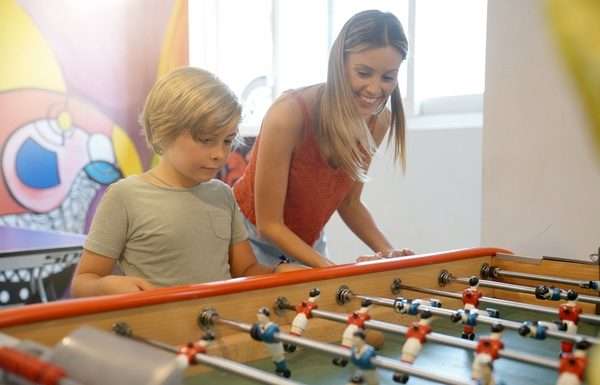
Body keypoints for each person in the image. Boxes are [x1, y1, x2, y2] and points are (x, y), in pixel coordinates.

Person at [71, 67, 298, 297]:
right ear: (164, 132)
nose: (219, 153)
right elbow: (83, 282)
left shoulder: (223, 196)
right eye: (207, 140)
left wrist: (277, 272)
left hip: (216, 326)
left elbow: (247, 269)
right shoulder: (125, 196)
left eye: (228, 140)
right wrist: (107, 286)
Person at [233, 10, 413, 268]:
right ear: (339, 63)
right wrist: (332, 270)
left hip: (307, 243)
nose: (375, 89)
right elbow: (269, 225)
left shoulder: (378, 120)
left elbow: (349, 203)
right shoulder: (288, 115)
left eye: (387, 77)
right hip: (249, 242)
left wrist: (389, 253)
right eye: (363, 73)